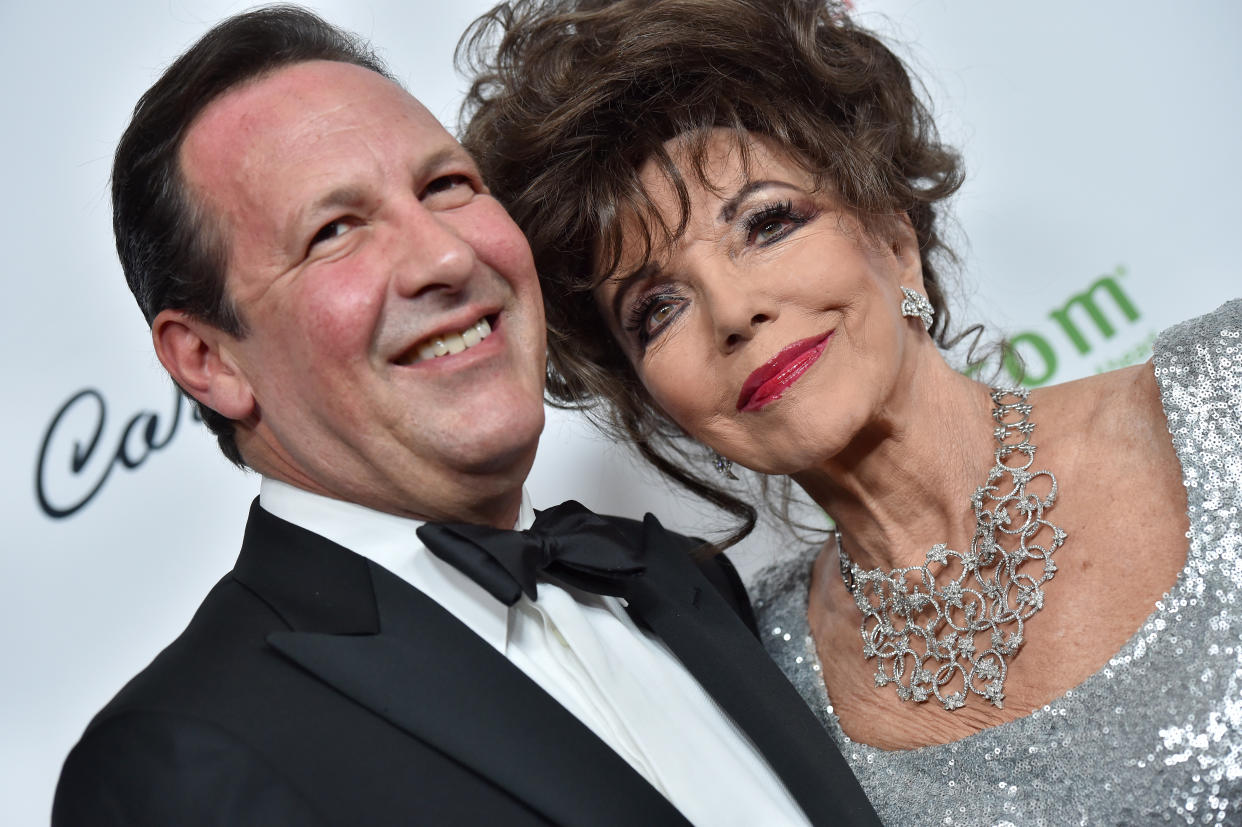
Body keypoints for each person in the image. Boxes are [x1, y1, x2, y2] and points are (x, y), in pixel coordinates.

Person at [51, 7, 882, 825]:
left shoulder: (680, 580)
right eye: (335, 230)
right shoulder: (176, 762)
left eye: (446, 186)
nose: (448, 256)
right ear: (211, 360)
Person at [457, 0, 1242, 823]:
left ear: (894, 235)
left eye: (766, 223)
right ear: (656, 403)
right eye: (656, 308)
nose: (732, 310)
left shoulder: (1219, 396)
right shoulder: (757, 680)